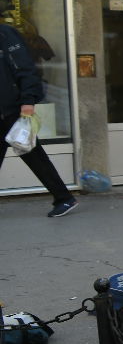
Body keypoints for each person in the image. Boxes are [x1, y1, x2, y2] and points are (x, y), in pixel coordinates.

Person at [0, 21, 77, 217]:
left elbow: (25, 69)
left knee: (34, 156)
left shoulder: (6, 34)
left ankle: (64, 198)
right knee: (34, 156)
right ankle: (63, 198)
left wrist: (28, 101)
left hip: (11, 111)